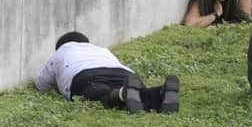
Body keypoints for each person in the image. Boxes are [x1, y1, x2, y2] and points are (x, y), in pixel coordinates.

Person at [35, 31, 180, 113]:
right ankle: (160, 93)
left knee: (97, 91)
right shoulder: (101, 50)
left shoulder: (62, 50)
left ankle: (121, 94)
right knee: (139, 94)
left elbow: (41, 84)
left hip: (85, 75)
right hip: (123, 73)